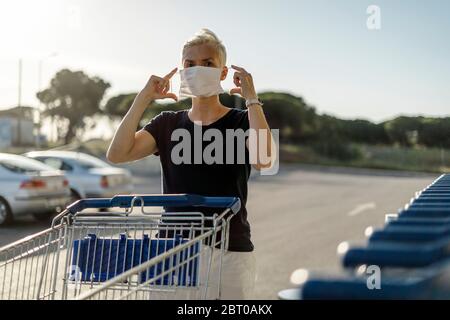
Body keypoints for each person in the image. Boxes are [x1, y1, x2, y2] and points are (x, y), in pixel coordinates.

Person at [107, 28, 274, 299]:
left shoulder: (242, 121)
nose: (198, 69)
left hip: (230, 249)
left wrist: (252, 99)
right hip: (172, 250)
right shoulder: (166, 123)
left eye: (208, 63)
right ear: (181, 70)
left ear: (222, 72)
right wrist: (143, 99)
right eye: (190, 64)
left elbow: (264, 160)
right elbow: (117, 154)